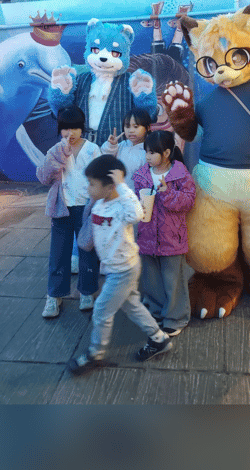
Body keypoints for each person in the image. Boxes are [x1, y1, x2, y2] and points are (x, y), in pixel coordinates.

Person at [68, 155, 173, 375]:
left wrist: (122, 186)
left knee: (101, 311)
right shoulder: (99, 204)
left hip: (123, 270)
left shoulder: (122, 206)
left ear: (109, 187)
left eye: (92, 184)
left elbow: (137, 214)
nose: (88, 188)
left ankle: (95, 353)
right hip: (114, 268)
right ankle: (159, 338)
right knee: (132, 306)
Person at [36, 105, 116, 318]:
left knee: (88, 252)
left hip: (87, 209)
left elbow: (102, 177)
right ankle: (54, 296)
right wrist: (58, 156)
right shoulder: (56, 149)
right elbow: (43, 177)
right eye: (65, 128)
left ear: (82, 128)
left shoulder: (92, 149)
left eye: (74, 128)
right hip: (62, 209)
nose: (69, 133)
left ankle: (87, 292)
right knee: (58, 254)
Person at [133, 130, 195, 338]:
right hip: (146, 236)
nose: (148, 156)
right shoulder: (141, 174)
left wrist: (167, 192)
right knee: (151, 279)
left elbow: (188, 201)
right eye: (146, 152)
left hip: (172, 238)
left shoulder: (180, 174)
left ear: (167, 153)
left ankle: (176, 317)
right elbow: (136, 200)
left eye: (152, 152)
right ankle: (156, 311)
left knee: (173, 280)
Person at [108, 108, 152, 191]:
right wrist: (112, 145)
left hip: (136, 195)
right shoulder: (121, 145)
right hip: (116, 193)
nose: (131, 131)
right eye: (127, 127)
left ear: (148, 127)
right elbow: (107, 158)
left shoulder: (149, 151)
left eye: (136, 127)